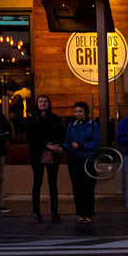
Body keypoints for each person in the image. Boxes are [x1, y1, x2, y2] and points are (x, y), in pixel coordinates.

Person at [26, 94, 66, 223]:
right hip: (38, 155)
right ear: (37, 104)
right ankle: (36, 212)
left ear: (49, 104)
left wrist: (60, 146)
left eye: (45, 101)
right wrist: (46, 145)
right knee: (37, 183)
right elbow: (31, 138)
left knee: (52, 184)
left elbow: (61, 135)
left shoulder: (55, 120)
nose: (43, 104)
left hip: (53, 155)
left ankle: (54, 212)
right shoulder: (32, 120)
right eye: (40, 101)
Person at [64, 102, 100, 224]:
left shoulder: (93, 125)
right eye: (76, 111)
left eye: (80, 111)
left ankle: (88, 213)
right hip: (74, 159)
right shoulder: (71, 126)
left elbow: (96, 142)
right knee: (77, 187)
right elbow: (67, 141)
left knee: (88, 187)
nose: (78, 114)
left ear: (86, 112)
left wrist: (82, 146)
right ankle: (80, 213)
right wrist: (63, 148)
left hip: (88, 159)